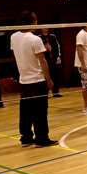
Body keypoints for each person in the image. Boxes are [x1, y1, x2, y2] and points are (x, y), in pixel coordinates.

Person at [10, 11, 57, 148]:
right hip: (37, 80)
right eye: (35, 21)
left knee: (25, 111)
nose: (36, 23)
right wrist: (49, 79)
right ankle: (42, 138)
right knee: (40, 111)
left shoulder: (13, 37)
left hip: (23, 79)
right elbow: (42, 61)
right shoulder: (35, 39)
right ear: (31, 22)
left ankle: (26, 138)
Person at [38, 27, 62, 97]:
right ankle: (46, 94)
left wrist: (58, 56)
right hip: (45, 61)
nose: (46, 28)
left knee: (55, 76)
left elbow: (58, 47)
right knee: (45, 77)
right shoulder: (38, 38)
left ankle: (56, 92)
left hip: (53, 60)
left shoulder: (53, 36)